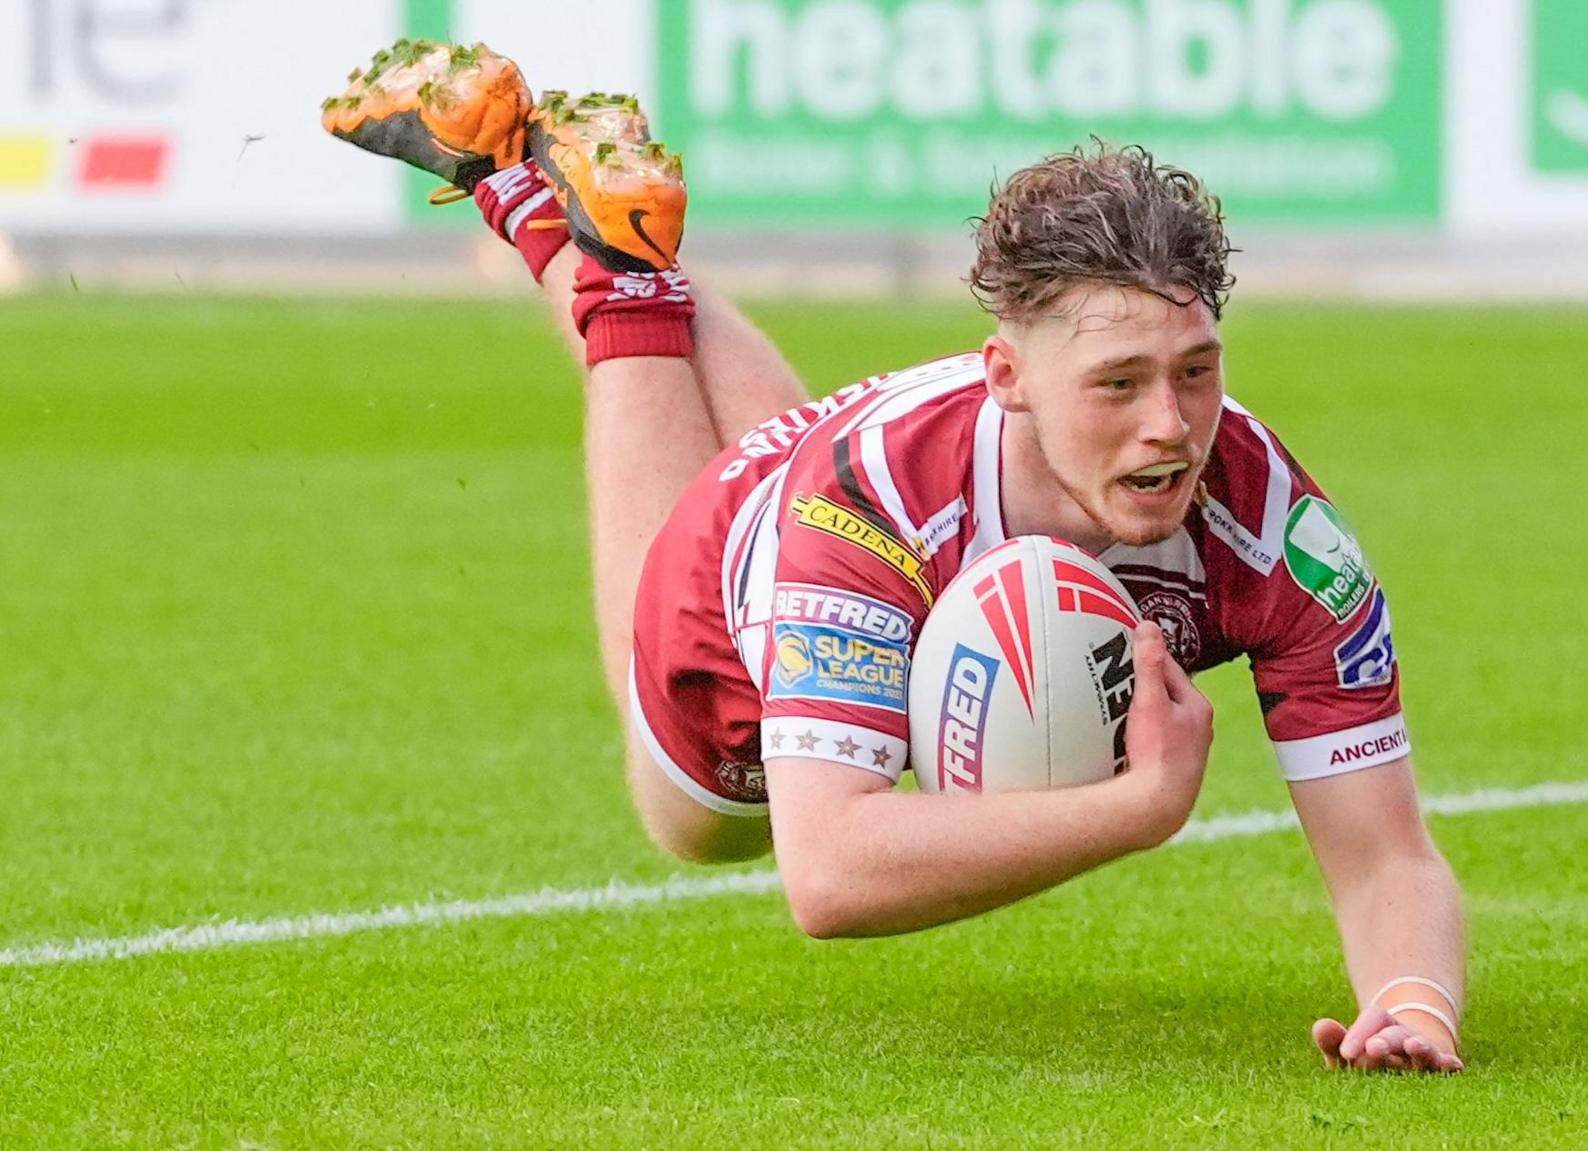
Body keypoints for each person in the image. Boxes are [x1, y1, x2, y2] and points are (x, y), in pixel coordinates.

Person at [324, 39, 1468, 1074]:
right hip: (762, 554)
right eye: (1116, 383)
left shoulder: (1275, 530)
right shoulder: (872, 501)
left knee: (812, 486)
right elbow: (826, 872)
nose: (1168, 423)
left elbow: (1386, 852)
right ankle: (599, 268)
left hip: (849, 483)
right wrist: (1142, 804)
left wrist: (1413, 1005)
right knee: (695, 813)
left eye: (1194, 368)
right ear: (1007, 376)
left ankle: (611, 234)